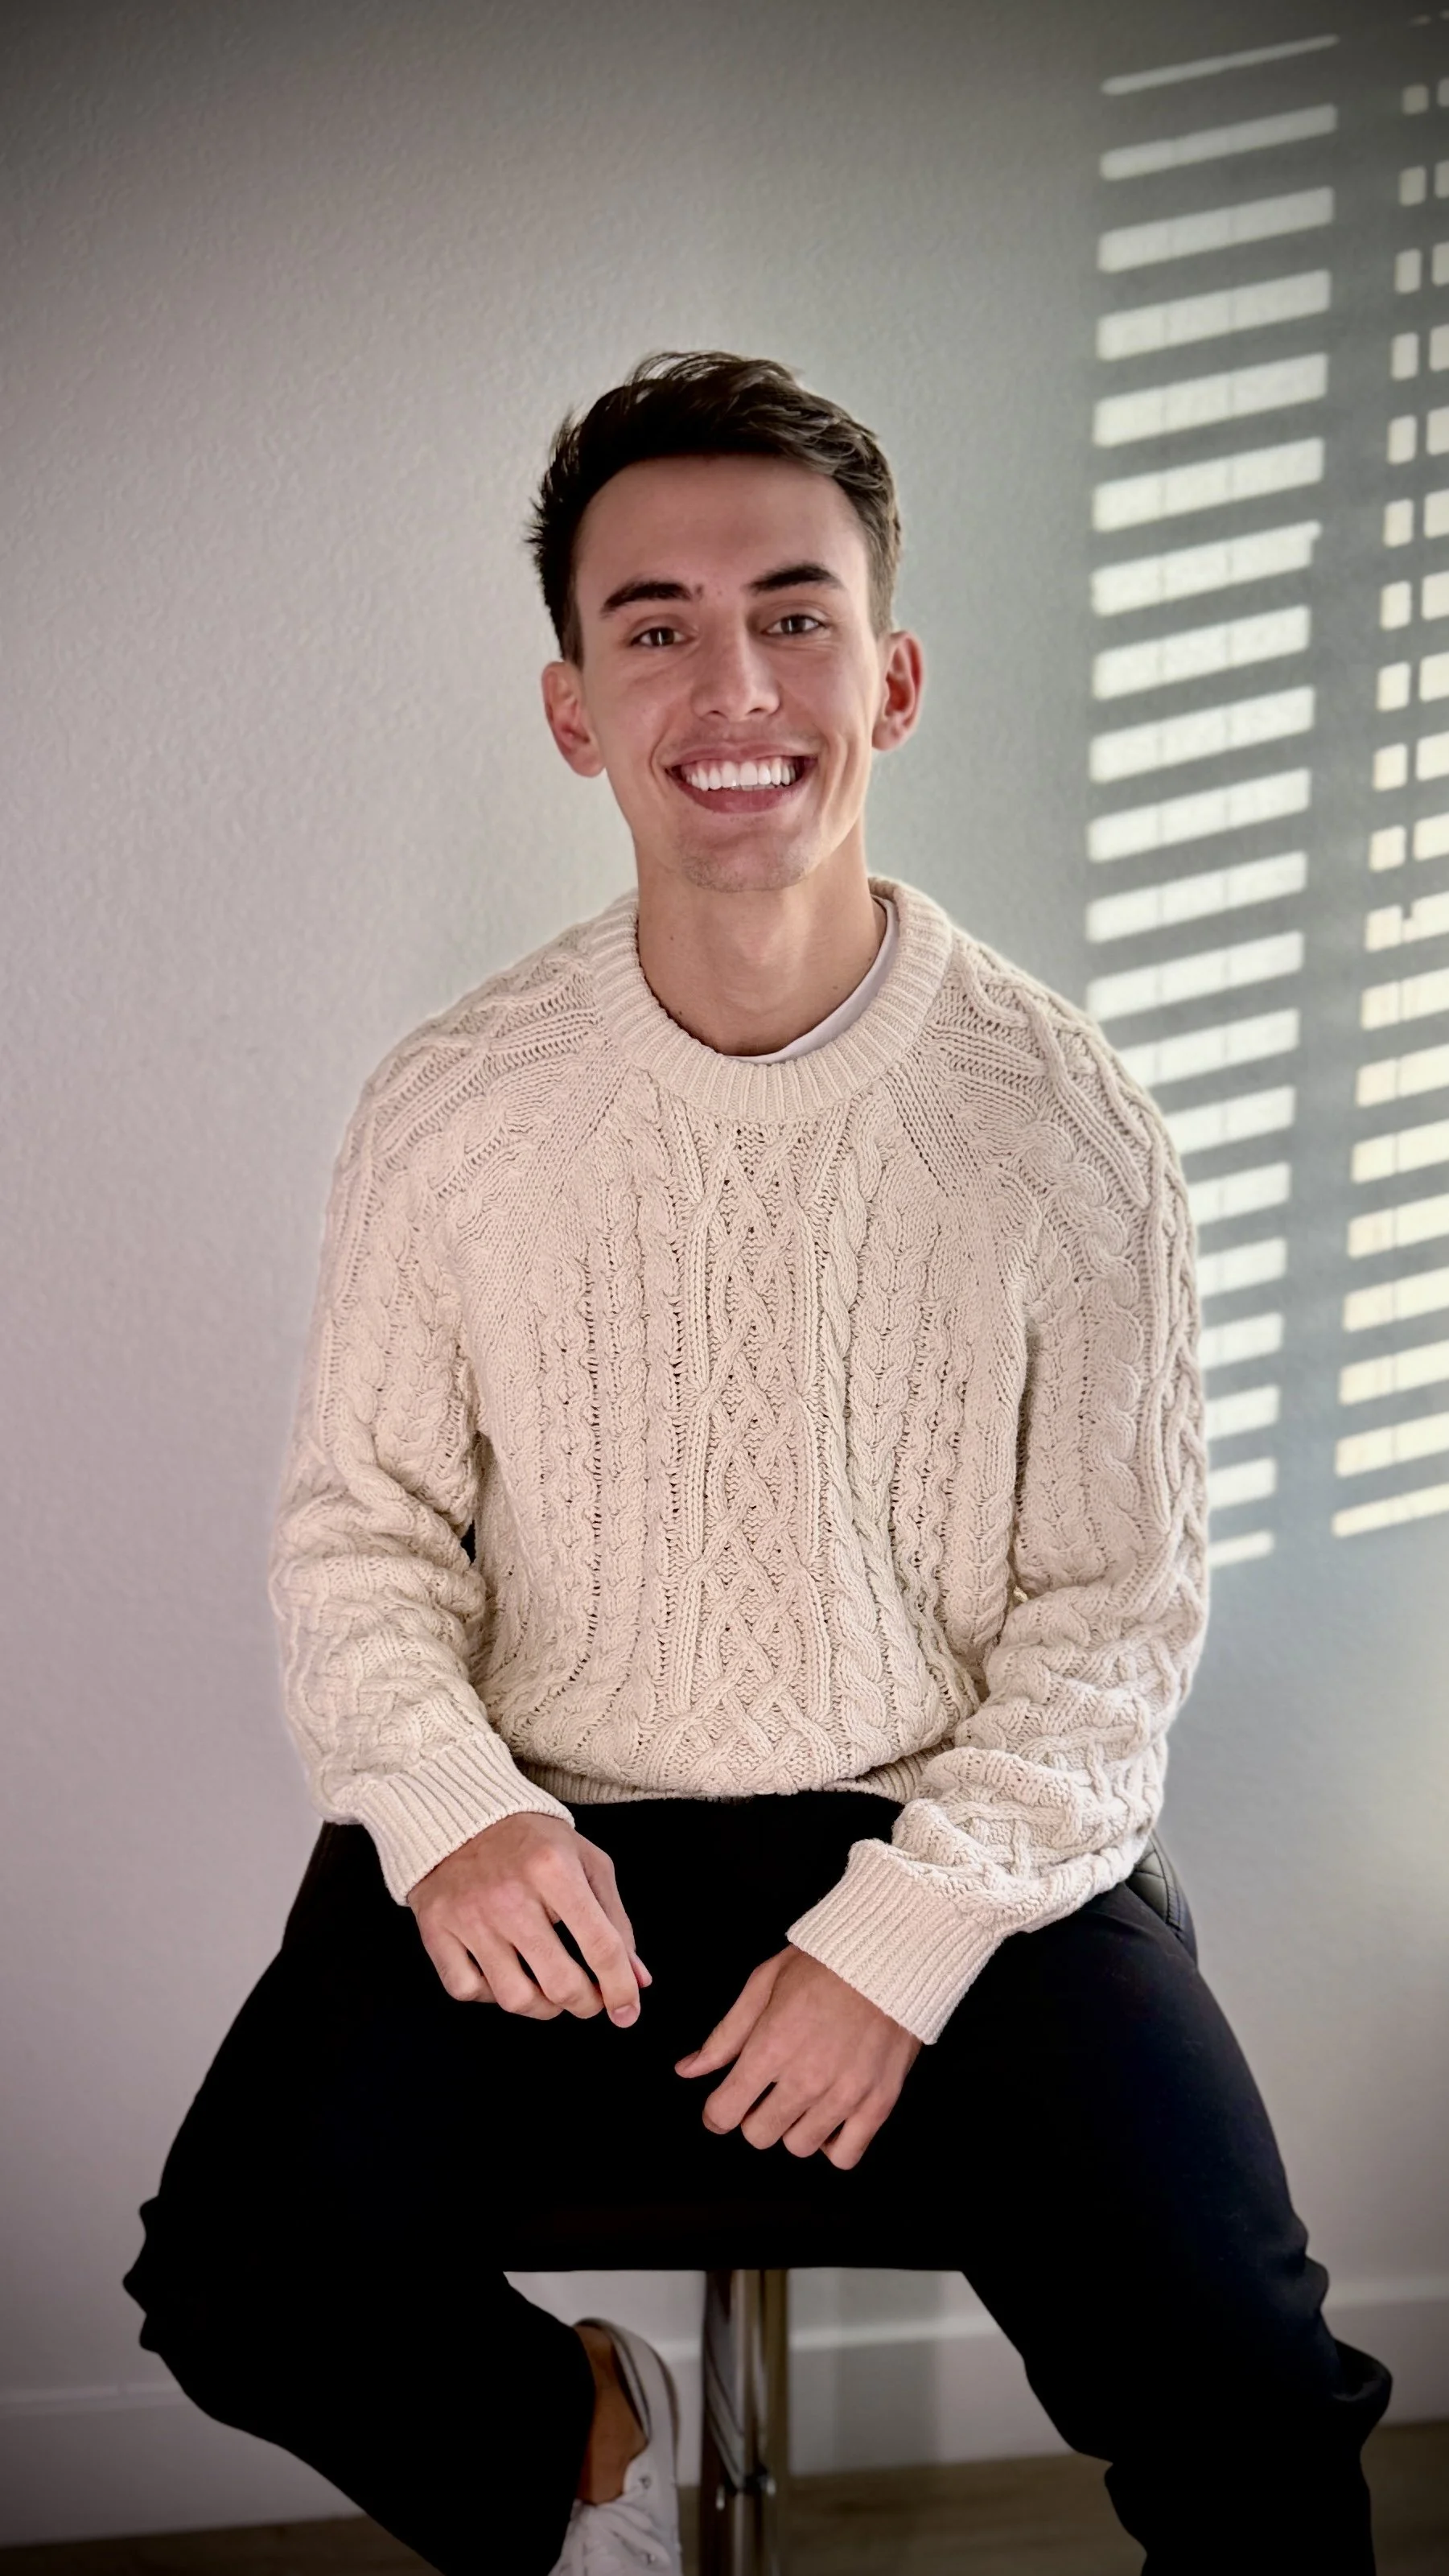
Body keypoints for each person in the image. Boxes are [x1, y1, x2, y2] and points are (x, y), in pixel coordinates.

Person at [124, 350, 1390, 2575]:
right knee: (238, 2273)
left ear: (888, 679)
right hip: (558, 1840)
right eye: (659, 626)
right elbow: (363, 1544)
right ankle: (596, 2433)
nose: (737, 683)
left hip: (958, 1845)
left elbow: (1114, 1629)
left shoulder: (1062, 1124)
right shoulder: (455, 1109)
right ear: (574, 708)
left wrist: (900, 1934)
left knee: (1254, 2394)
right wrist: (452, 1811)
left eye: (795, 614)